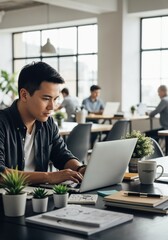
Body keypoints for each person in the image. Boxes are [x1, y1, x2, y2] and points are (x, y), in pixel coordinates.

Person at [0, 62, 86, 185]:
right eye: (46, 98)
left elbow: (62, 155)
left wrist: (81, 169)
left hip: (39, 198)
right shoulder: (2, 123)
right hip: (9, 200)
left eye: (55, 99)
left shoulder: (48, 123)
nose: (52, 106)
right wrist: (49, 177)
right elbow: (1, 174)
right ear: (24, 95)